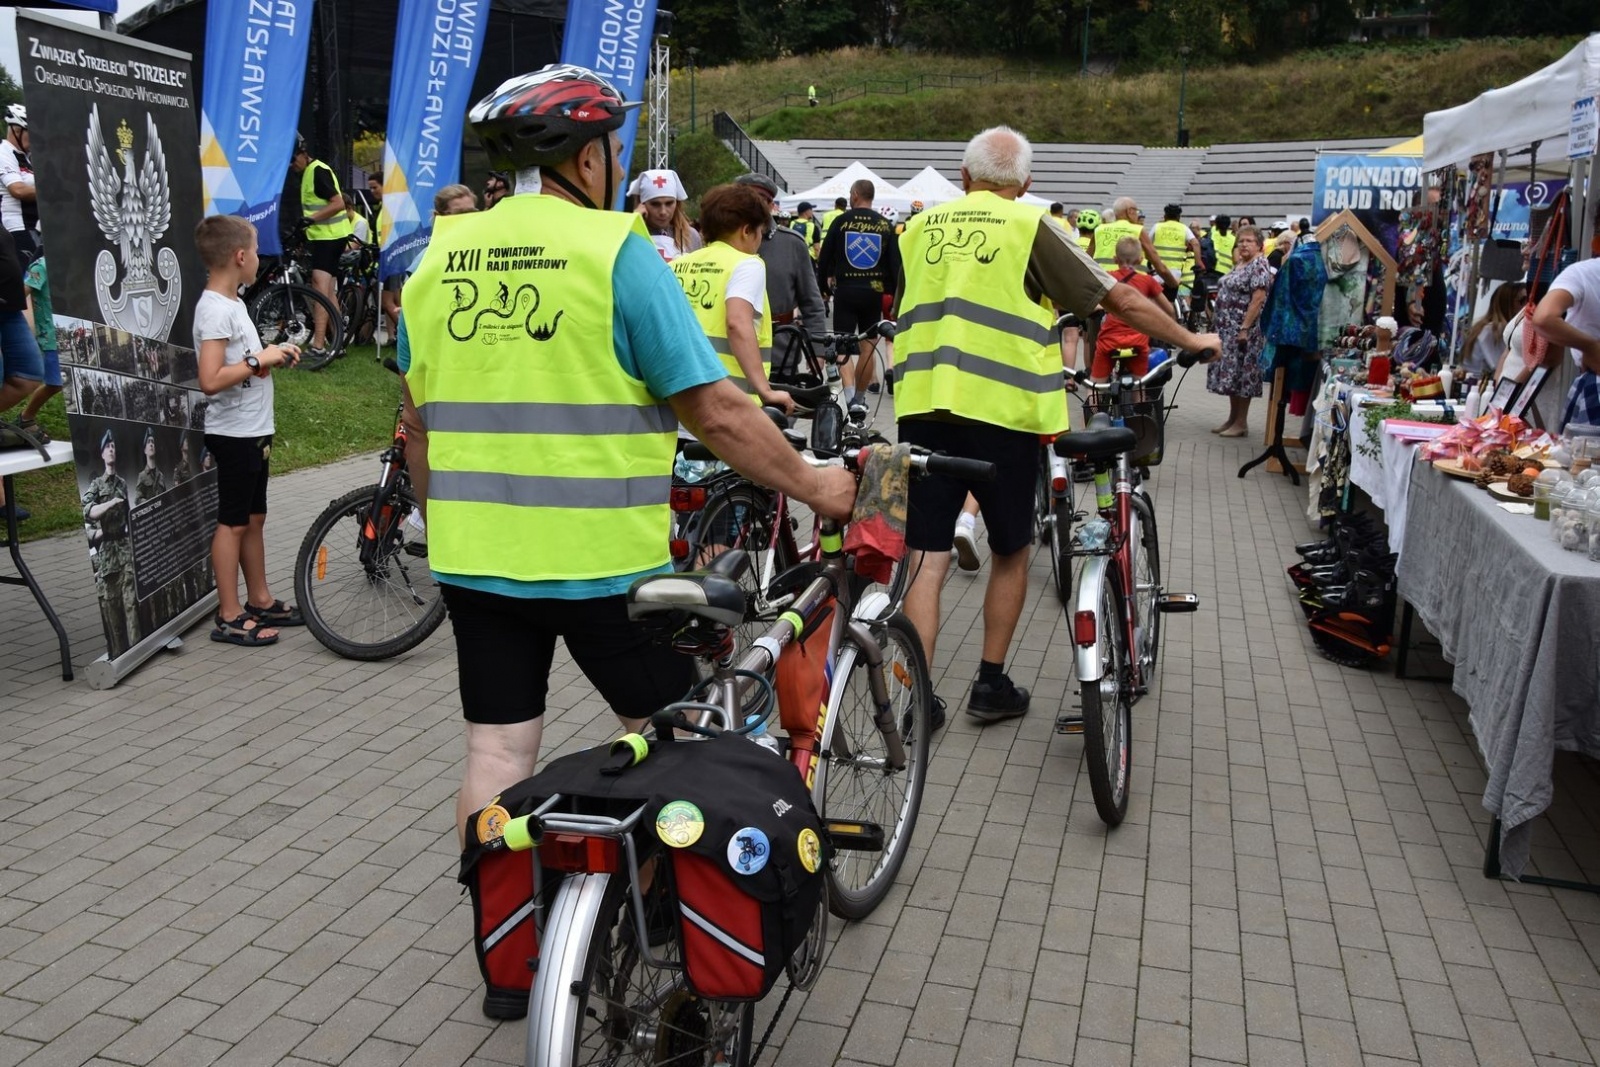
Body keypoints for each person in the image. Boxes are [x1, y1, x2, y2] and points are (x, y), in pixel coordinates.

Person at [396, 64, 856, 911]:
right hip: (602, 565)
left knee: (495, 756)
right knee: (670, 733)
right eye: (611, 146)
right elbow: (717, 408)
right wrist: (818, 486)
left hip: (475, 563)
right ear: (587, 160)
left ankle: (510, 948)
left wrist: (445, 521)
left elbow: (417, 425)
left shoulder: (436, 260)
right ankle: (635, 925)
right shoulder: (616, 251)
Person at [895, 126, 1218, 725]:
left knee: (924, 555)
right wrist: (1190, 337)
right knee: (1012, 549)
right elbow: (1115, 299)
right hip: (1004, 414)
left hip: (920, 407)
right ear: (1026, 184)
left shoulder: (916, 229)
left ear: (964, 178)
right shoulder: (1028, 226)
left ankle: (918, 697)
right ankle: (990, 685)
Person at [193, 214, 304, 648]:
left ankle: (259, 598)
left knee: (254, 517)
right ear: (240, 256)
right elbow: (210, 378)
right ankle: (229, 612)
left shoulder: (235, 303)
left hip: (254, 428)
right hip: (234, 433)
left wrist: (270, 356)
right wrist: (260, 361)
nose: (259, 259)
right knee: (233, 523)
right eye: (256, 251)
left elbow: (241, 367)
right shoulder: (215, 309)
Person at [671, 184, 793, 413]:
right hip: (728, 405)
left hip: (677, 403)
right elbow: (737, 322)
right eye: (761, 232)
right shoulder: (747, 264)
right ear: (746, 231)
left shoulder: (677, 265)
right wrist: (765, 390)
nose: (760, 241)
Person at [818, 178, 899, 419]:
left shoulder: (841, 221)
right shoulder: (885, 225)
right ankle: (860, 399)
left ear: (854, 195)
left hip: (846, 290)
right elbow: (895, 264)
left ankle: (850, 394)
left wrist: (823, 284)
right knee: (868, 347)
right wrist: (894, 294)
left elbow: (825, 257)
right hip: (873, 292)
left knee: (843, 347)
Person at [735, 175, 828, 383]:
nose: (751, 205)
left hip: (780, 353)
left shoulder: (792, 244)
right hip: (731, 356)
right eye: (744, 198)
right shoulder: (721, 242)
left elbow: (812, 303)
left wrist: (817, 350)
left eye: (759, 199)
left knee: (779, 415)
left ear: (771, 204)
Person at [288, 135, 352, 360]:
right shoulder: (308, 172)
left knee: (319, 289)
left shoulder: (317, 170)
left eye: (293, 158)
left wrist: (311, 220)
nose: (291, 164)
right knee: (328, 292)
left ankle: (318, 346)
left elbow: (338, 203)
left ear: (304, 153)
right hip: (328, 237)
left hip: (330, 238)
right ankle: (338, 342)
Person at [1206, 224, 1271, 436]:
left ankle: (1241, 422)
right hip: (1227, 331)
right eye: (1240, 241)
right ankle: (1232, 418)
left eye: (1248, 241)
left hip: (1245, 332)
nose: (1243, 244)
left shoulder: (1260, 264)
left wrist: (1244, 328)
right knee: (1232, 376)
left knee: (1244, 376)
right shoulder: (1241, 264)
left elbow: (1258, 298)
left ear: (1259, 245)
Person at [81, 430, 139, 650]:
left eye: (113, 446)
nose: (111, 450)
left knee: (131, 603)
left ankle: (136, 647)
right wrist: (111, 503)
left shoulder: (123, 483)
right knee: (113, 609)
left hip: (124, 547)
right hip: (107, 553)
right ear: (102, 454)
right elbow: (88, 511)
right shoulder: (97, 485)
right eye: (108, 447)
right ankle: (119, 652)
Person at [1529, 257, 1600, 430]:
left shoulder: (1584, 272)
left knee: (1582, 455)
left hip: (1595, 386)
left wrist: (1589, 346)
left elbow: (1544, 318)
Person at [1093, 237, 1173, 379]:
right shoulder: (1148, 281)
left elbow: (1092, 303)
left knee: (1095, 386)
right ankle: (1137, 398)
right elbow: (1169, 310)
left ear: (1115, 259)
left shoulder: (1107, 278)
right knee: (1139, 385)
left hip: (1109, 341)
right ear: (1140, 260)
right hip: (1138, 341)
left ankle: (1095, 398)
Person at [14, 253, 60, 439]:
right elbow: (21, 293)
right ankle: (26, 417)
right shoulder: (41, 266)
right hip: (51, 335)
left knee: (59, 383)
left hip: (68, 331)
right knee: (55, 384)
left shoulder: (68, 262)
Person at [1090, 197, 1176, 290]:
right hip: (1133, 285)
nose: (1137, 215)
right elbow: (1158, 264)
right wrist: (1173, 284)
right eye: (1136, 211)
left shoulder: (1099, 229)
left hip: (1103, 284)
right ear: (1129, 211)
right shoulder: (1138, 230)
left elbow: (1085, 259)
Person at [634, 168, 701, 262]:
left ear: (677, 204)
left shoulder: (691, 236)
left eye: (669, 203)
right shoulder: (631, 235)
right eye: (655, 204)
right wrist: (633, 224)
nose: (663, 212)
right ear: (642, 205)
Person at [0, 105, 38, 270]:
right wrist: (51, 190)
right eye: (31, 132)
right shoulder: (4, 152)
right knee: (30, 282)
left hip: (33, 226)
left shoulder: (27, 157)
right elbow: (18, 190)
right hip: (16, 227)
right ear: (17, 130)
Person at [1462, 282, 1525, 379]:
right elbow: (1500, 366)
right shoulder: (1493, 330)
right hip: (1479, 385)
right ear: (1507, 304)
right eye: (1523, 301)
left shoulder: (1484, 328)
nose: (1527, 306)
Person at [1151, 204, 1202, 308]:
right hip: (1175, 272)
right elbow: (1195, 244)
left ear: (1165, 216)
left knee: (1154, 299)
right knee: (1170, 299)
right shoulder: (1183, 228)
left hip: (1158, 271)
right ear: (1179, 217)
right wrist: (1198, 263)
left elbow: (1146, 243)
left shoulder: (1157, 226)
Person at [134, 427, 166, 503]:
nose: (151, 444)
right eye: (148, 442)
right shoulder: (142, 476)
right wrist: (150, 504)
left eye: (152, 442)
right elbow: (137, 500)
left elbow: (166, 498)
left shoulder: (161, 476)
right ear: (145, 450)